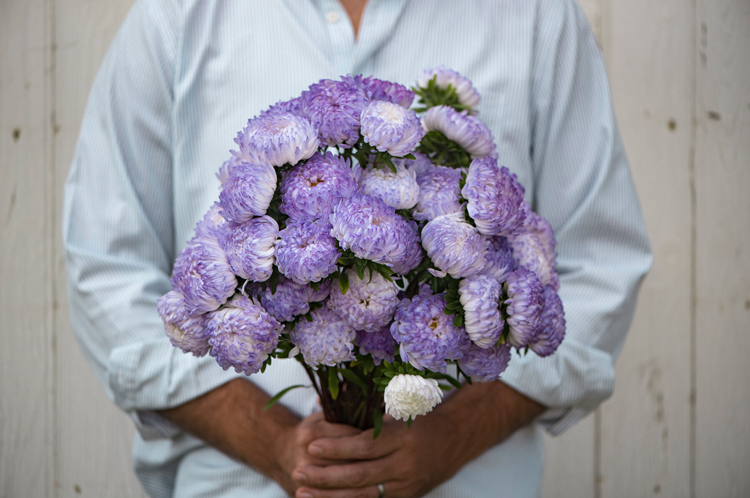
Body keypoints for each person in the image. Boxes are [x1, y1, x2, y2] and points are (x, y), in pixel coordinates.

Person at [63, 0, 652, 497]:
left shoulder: (533, 16)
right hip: (237, 482)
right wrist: (272, 443)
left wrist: (455, 435)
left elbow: (603, 266)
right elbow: (105, 265)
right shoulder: (175, 16)